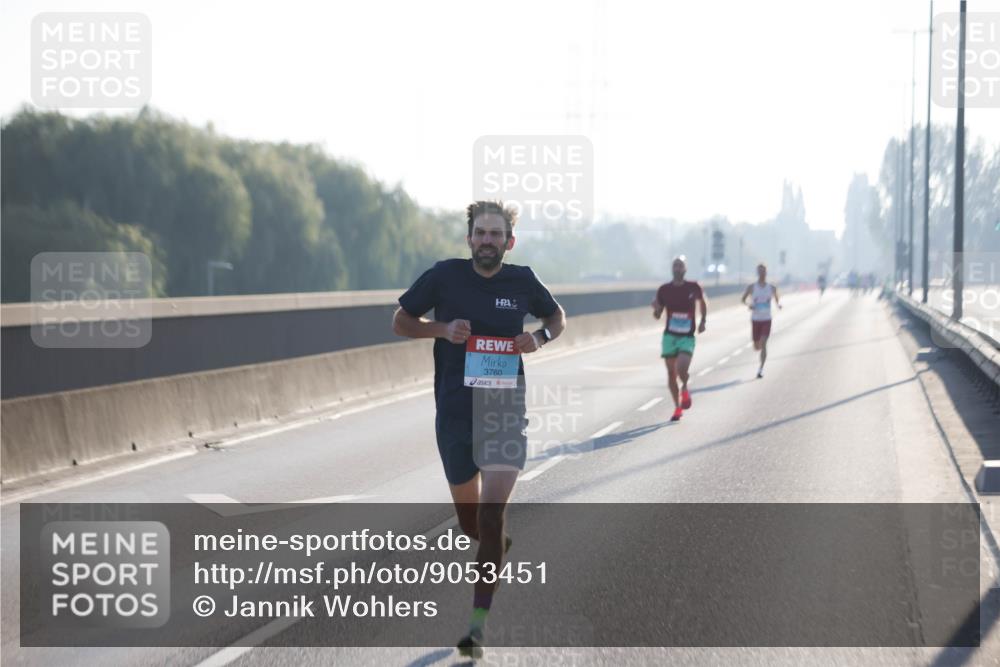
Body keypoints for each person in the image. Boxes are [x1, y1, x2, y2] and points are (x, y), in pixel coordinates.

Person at [392, 200, 566, 658]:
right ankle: (495, 543)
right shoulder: (444, 276)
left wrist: (539, 338)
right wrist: (441, 330)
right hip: (454, 413)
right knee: (472, 525)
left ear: (510, 241)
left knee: (491, 516)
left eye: (496, 234)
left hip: (503, 410)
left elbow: (557, 318)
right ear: (469, 238)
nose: (487, 241)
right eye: (480, 233)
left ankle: (476, 626)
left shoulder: (523, 280)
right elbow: (400, 321)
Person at [652, 256, 707, 422]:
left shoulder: (693, 286)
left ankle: (684, 387)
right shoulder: (664, 289)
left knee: (682, 368)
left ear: (685, 269)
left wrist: (703, 321)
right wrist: (655, 309)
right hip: (670, 336)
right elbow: (658, 315)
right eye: (675, 266)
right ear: (672, 269)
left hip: (687, 337)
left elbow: (703, 303)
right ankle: (677, 407)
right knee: (671, 374)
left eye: (680, 266)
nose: (677, 268)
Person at [742, 263, 781, 378]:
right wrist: (749, 305)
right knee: (756, 346)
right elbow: (743, 299)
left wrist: (778, 304)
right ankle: (758, 346)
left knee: (764, 343)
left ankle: (761, 369)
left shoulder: (771, 287)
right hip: (755, 319)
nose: (762, 273)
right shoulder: (752, 287)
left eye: (763, 271)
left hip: (766, 319)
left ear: (766, 272)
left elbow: (776, 297)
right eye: (759, 271)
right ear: (757, 273)